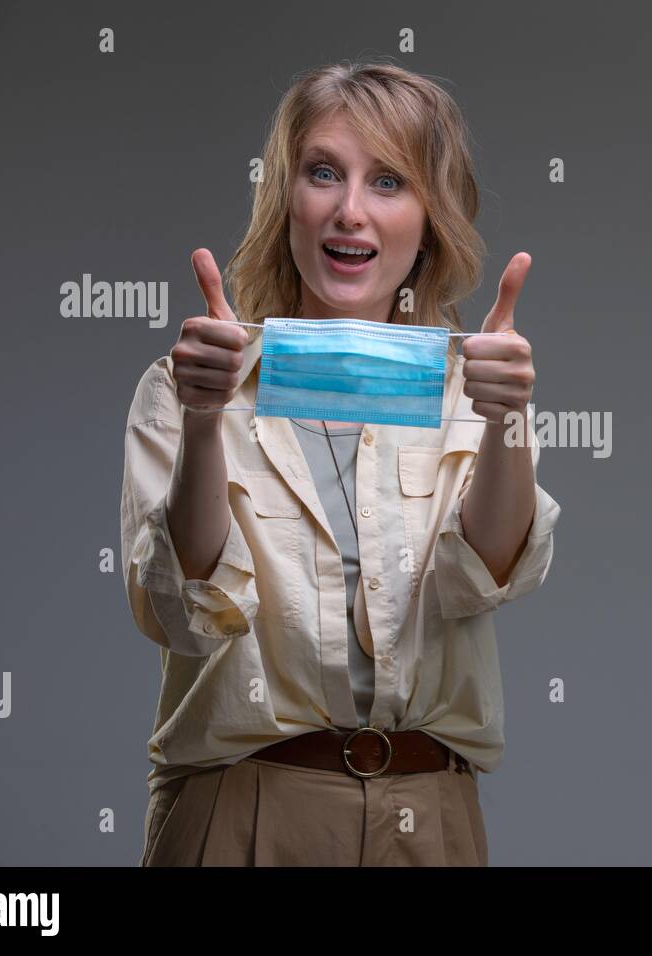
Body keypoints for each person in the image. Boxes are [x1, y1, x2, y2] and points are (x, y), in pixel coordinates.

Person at [119, 61, 561, 866]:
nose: (349, 211)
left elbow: (485, 577)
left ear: (430, 219)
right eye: (324, 173)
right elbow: (181, 614)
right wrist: (206, 418)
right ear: (287, 198)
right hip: (244, 812)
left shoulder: (474, 383)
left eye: (388, 181)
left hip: (431, 819)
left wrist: (506, 423)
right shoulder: (187, 385)